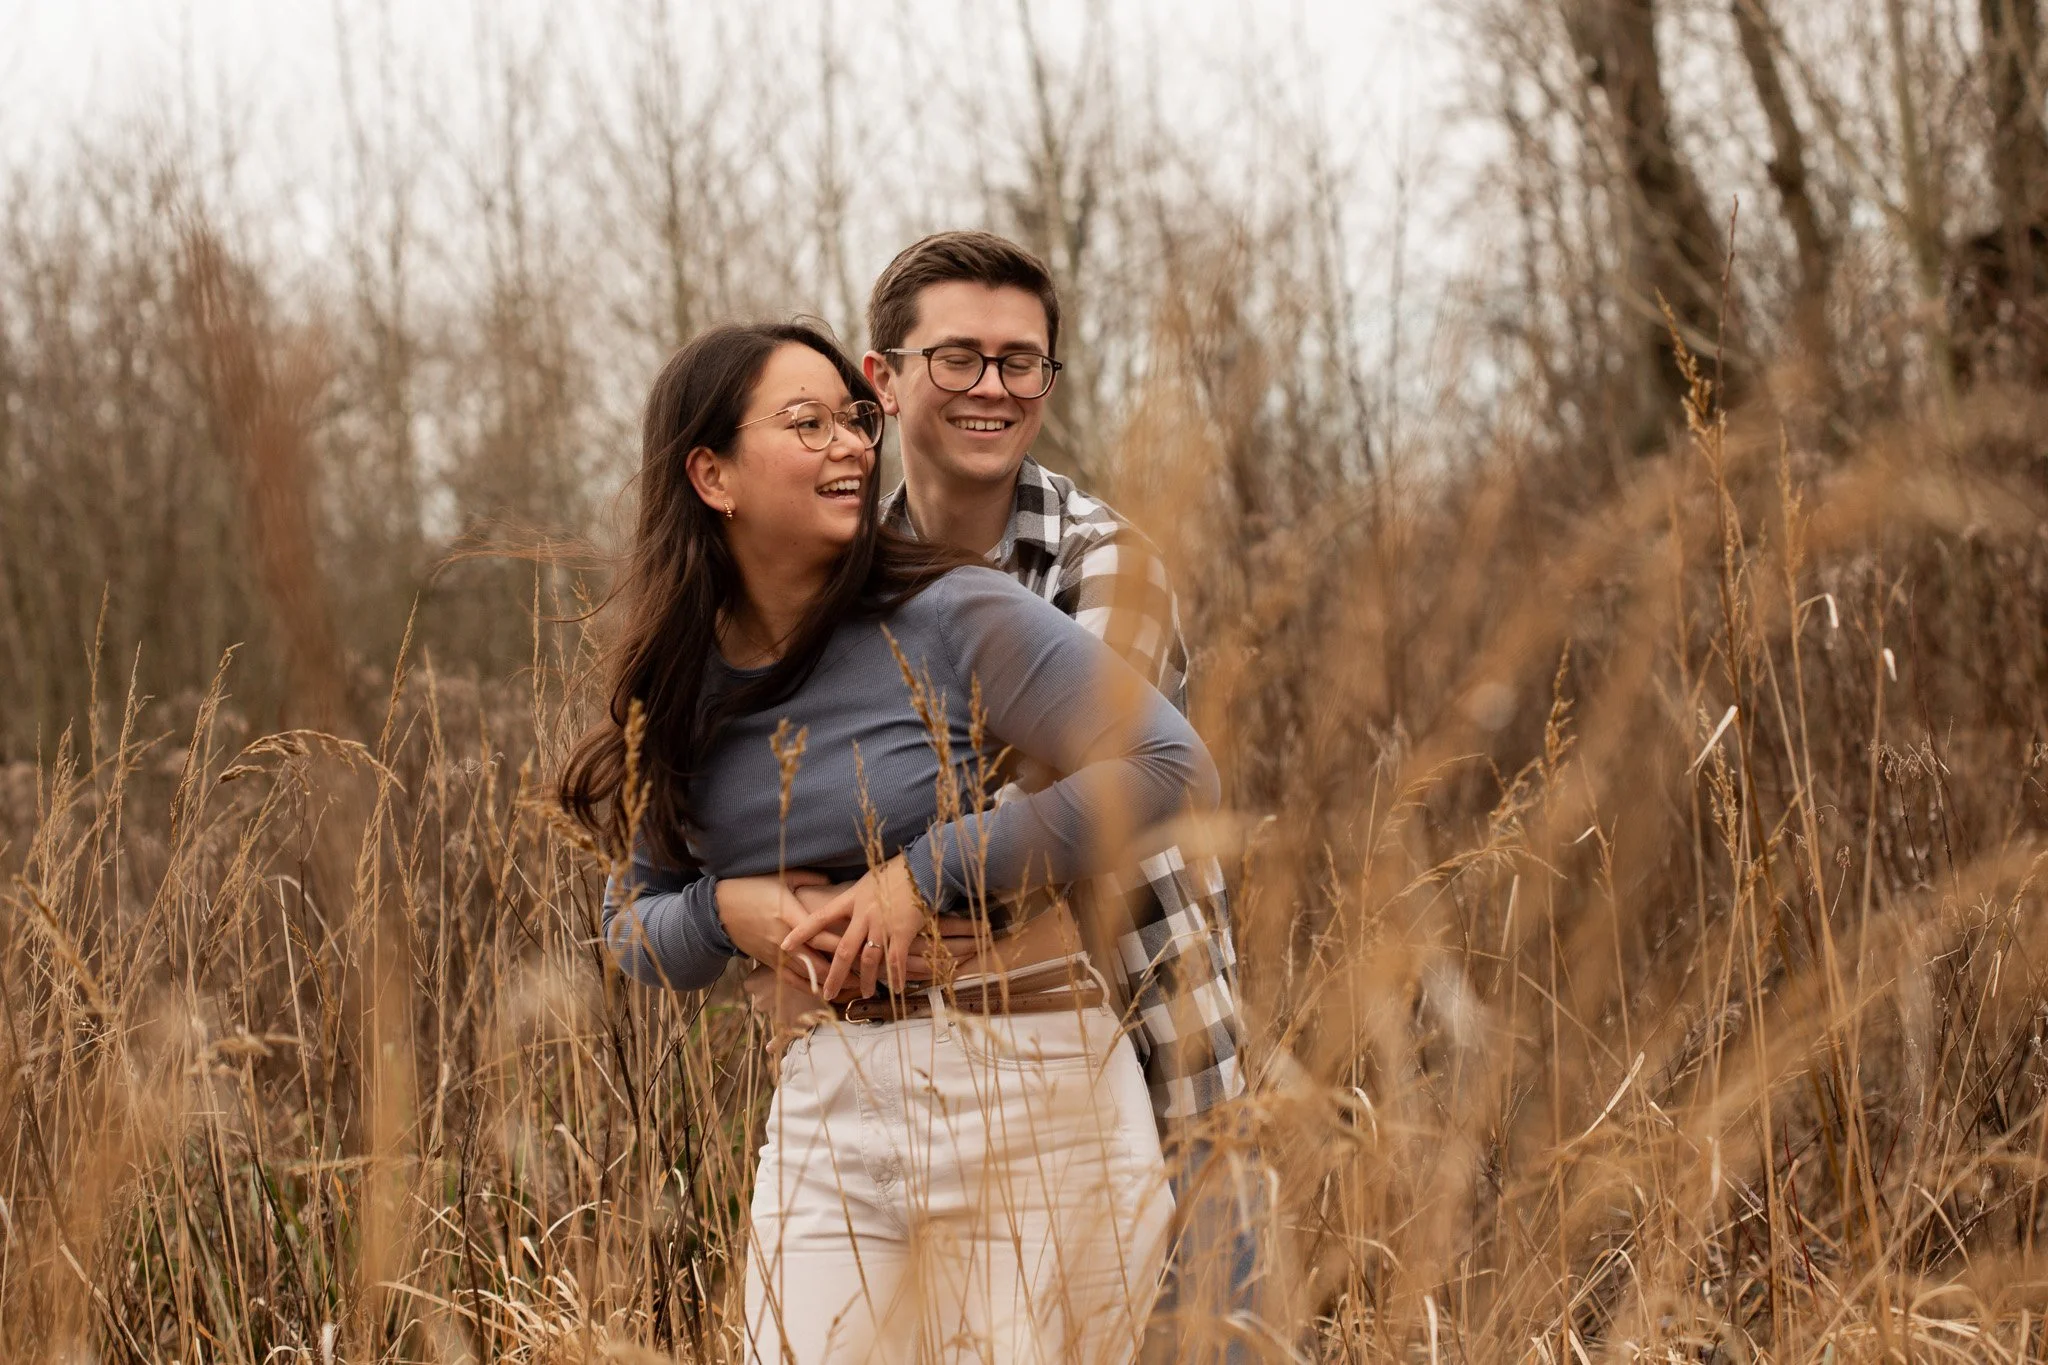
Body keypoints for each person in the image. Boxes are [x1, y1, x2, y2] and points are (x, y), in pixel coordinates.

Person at [560, 320, 1215, 1363]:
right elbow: (627, 928)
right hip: (827, 1106)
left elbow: (1170, 770)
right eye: (805, 423)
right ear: (711, 474)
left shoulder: (950, 611)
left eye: (855, 420)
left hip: (1025, 1092)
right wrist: (727, 912)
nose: (853, 446)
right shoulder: (674, 684)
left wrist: (925, 874)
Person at [859, 231, 1261, 1359]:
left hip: (1160, 1068)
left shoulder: (1104, 563)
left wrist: (902, 867)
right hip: (927, 1098)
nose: (993, 388)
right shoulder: (845, 591)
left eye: (1020, 361)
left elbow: (1070, 813)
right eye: (957, 358)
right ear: (882, 378)